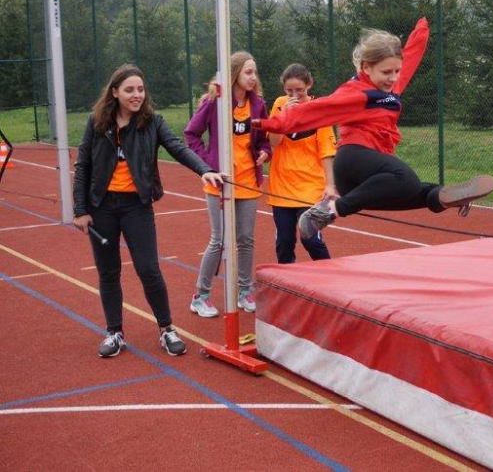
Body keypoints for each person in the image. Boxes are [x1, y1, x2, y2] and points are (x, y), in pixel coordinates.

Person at [252, 18, 493, 238]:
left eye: (396, 71)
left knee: (417, 192)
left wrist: (422, 28)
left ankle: (445, 198)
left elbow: (411, 56)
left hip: (368, 177)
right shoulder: (356, 92)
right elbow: (315, 111)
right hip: (353, 160)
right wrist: (267, 123)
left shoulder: (392, 87)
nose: (393, 78)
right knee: (406, 179)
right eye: (386, 72)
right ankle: (331, 210)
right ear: (367, 68)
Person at [73, 64, 224, 358]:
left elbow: (178, 148)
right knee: (108, 272)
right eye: (129, 90)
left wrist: (204, 170)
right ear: (114, 92)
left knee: (149, 269)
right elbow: (83, 166)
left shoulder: (152, 122)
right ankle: (114, 332)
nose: (136, 95)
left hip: (136, 206)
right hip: (101, 206)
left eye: (140, 89)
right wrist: (80, 209)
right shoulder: (97, 122)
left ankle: (167, 329)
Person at [184, 51, 271, 316]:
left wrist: (266, 151)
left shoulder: (258, 105)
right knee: (219, 240)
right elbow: (191, 134)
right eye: (248, 72)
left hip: (247, 181)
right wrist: (207, 166)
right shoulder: (215, 102)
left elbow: (264, 139)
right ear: (234, 74)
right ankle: (201, 295)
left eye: (255, 72)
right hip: (220, 183)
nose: (253, 77)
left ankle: (245, 291)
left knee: (245, 239)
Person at [267, 64, 337, 263]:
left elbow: (326, 152)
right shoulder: (280, 104)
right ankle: (287, 285)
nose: (295, 95)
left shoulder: (319, 111)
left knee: (310, 240)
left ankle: (329, 276)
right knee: (285, 242)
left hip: (310, 188)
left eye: (300, 90)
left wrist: (330, 185)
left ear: (309, 85)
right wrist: (284, 117)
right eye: (290, 91)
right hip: (282, 187)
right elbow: (274, 142)